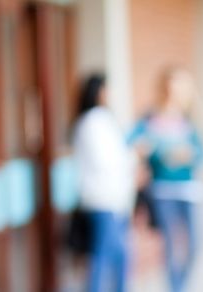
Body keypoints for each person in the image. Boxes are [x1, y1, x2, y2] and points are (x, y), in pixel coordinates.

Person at [129, 67, 203, 292]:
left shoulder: (189, 119)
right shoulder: (150, 119)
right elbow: (132, 142)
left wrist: (189, 155)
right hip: (163, 190)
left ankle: (181, 286)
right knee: (172, 247)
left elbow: (201, 153)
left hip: (189, 189)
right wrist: (151, 151)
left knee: (194, 247)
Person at [72, 74, 137, 292]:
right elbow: (105, 161)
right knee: (106, 256)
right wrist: (131, 158)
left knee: (117, 256)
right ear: (99, 91)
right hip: (103, 198)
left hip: (115, 198)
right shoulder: (93, 121)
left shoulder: (101, 120)